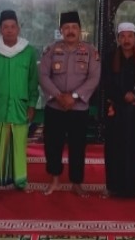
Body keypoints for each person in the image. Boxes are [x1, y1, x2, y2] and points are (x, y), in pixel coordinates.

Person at [39, 11, 101, 197]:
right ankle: (54, 180)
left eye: (74, 27)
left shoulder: (90, 51)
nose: (71, 31)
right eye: (67, 28)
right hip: (55, 107)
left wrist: (73, 96)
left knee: (77, 146)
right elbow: (42, 76)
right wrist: (58, 96)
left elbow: (94, 78)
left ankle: (77, 182)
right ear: (61, 31)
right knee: (53, 145)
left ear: (80, 30)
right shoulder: (51, 50)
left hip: (78, 107)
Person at [0, 10, 39, 192]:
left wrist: (32, 104)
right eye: (6, 27)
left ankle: (20, 181)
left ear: (18, 28)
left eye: (13, 26)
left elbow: (32, 80)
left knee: (19, 145)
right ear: (0, 29)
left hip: (19, 106)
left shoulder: (27, 51)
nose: (10, 30)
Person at [101, 22, 135, 200]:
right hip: (116, 110)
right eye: (122, 36)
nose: (126, 40)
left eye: (130, 36)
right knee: (114, 148)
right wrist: (122, 96)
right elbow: (106, 83)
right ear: (118, 39)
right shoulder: (109, 59)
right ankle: (113, 187)